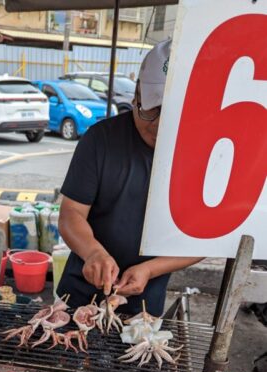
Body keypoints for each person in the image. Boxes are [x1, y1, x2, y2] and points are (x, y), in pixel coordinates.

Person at [57, 39, 203, 316]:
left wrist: (150, 269)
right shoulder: (100, 140)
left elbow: (202, 239)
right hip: (79, 292)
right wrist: (93, 252)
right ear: (136, 96)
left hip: (145, 299)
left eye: (173, 115)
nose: (159, 126)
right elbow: (70, 213)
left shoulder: (200, 154)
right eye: (151, 110)